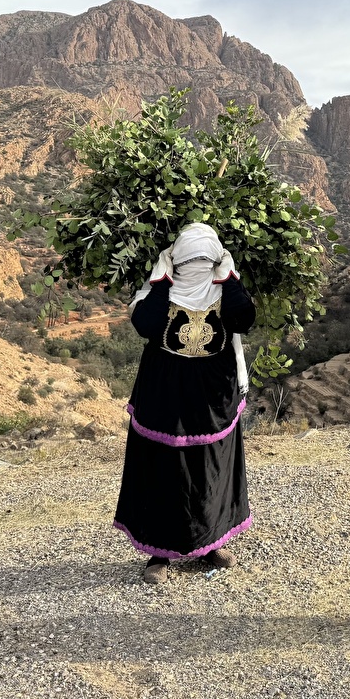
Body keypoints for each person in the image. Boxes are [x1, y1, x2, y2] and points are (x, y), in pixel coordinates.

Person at [113, 222, 256, 583]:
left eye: (205, 261)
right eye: (189, 261)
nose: (198, 267)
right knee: (164, 467)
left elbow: (244, 319)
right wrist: (162, 282)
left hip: (212, 391)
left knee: (211, 467)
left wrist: (229, 278)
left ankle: (210, 544)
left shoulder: (223, 286)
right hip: (165, 389)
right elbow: (145, 325)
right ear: (174, 260)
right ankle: (159, 553)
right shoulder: (162, 288)